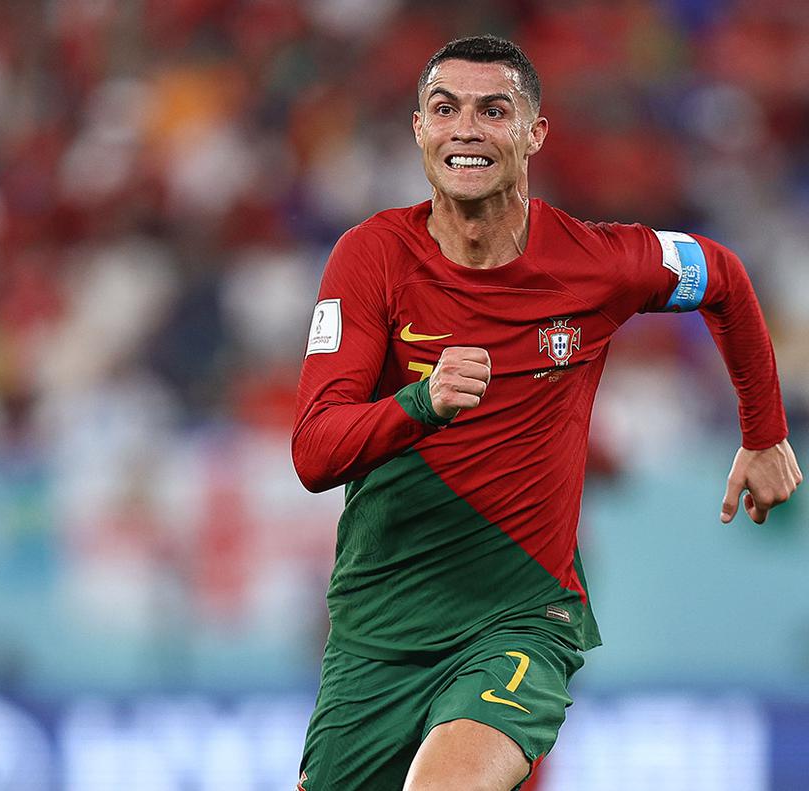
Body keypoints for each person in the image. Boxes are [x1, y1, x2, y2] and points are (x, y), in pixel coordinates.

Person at [290, 34, 802, 791]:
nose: (466, 128)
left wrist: (764, 435)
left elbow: (721, 274)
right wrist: (419, 402)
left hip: (519, 619)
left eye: (493, 110)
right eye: (445, 109)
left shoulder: (595, 261)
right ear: (419, 129)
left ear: (534, 134)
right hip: (376, 631)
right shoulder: (369, 259)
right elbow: (314, 451)